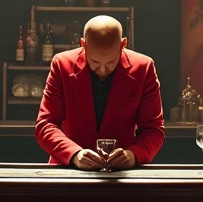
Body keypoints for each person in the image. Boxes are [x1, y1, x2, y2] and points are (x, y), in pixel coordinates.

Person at [35, 15, 165, 169]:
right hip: (70, 169)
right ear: (83, 44)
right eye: (95, 62)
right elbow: (46, 125)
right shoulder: (62, 65)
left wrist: (133, 154)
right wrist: (74, 154)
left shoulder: (143, 67)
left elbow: (153, 129)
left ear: (123, 44)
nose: (103, 70)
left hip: (121, 172)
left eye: (111, 62)